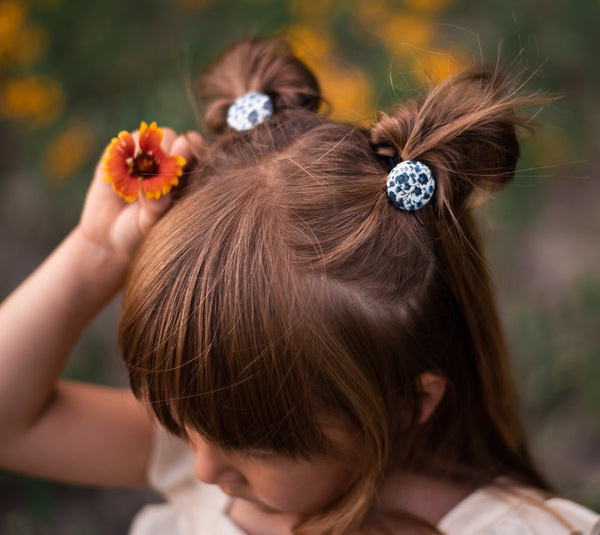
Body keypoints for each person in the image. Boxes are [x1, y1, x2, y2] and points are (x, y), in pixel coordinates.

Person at [0, 37, 598, 535]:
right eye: (177, 417)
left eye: (259, 447)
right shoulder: (210, 446)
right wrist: (95, 254)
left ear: (411, 401)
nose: (205, 468)